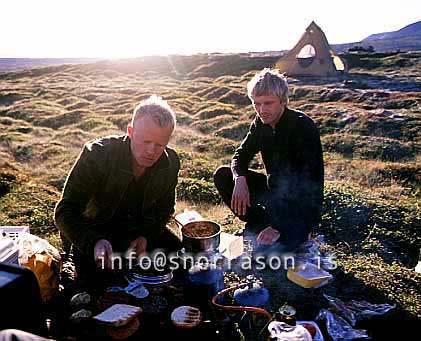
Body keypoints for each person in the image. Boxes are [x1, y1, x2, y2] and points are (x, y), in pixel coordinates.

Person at [55, 95, 181, 283]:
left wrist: (146, 235)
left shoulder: (170, 162)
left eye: (159, 145)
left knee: (181, 258)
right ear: (130, 131)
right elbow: (64, 212)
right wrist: (93, 243)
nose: (151, 151)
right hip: (96, 232)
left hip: (137, 231)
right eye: (145, 142)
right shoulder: (97, 156)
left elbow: (165, 208)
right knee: (96, 283)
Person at [214, 68, 324, 253]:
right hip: (275, 194)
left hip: (301, 206)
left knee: (269, 252)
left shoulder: (302, 127)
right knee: (223, 175)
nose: (262, 110)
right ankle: (258, 223)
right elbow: (240, 156)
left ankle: (283, 230)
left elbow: (306, 185)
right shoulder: (260, 123)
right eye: (256, 103)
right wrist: (239, 179)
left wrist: (279, 226)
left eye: (268, 103)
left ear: (283, 101)